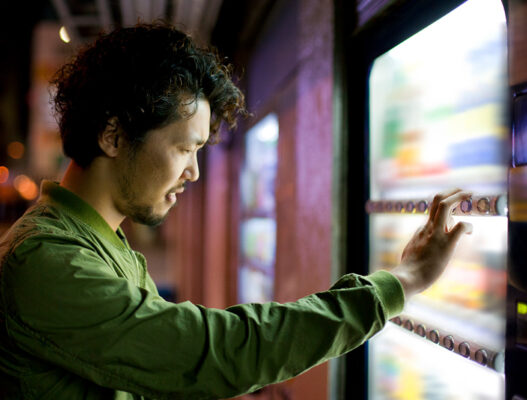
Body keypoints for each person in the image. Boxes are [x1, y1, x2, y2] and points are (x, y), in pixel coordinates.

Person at [0, 23, 472, 399]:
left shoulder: (100, 242)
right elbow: (207, 353)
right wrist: (403, 282)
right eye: (186, 149)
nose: (194, 174)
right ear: (114, 136)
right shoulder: (44, 261)